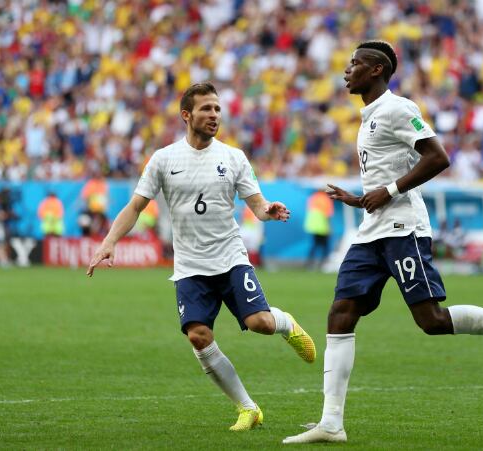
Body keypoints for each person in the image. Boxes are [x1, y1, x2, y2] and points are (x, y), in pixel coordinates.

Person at [283, 40, 483, 445]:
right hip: (373, 230)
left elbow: (438, 157)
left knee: (431, 321)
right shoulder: (368, 117)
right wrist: (363, 197)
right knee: (341, 313)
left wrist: (388, 190)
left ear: (376, 71)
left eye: (355, 64)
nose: (346, 70)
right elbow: (387, 174)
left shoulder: (397, 108)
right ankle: (332, 423)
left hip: (404, 229)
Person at [87, 82, 316, 431]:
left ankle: (285, 323)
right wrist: (109, 241)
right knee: (198, 336)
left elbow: (257, 205)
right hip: (190, 267)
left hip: (230, 258)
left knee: (260, 324)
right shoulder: (163, 159)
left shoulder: (233, 157)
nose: (214, 115)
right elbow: (136, 206)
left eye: (217, 109)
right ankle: (248, 408)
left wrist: (269, 209)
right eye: (206, 109)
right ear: (186, 115)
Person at [303, 188, 334, 269]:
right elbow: (327, 214)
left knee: (314, 245)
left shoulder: (313, 197)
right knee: (325, 246)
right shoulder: (326, 199)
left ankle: (309, 264)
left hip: (312, 225)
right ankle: (322, 264)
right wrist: (329, 227)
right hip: (322, 226)